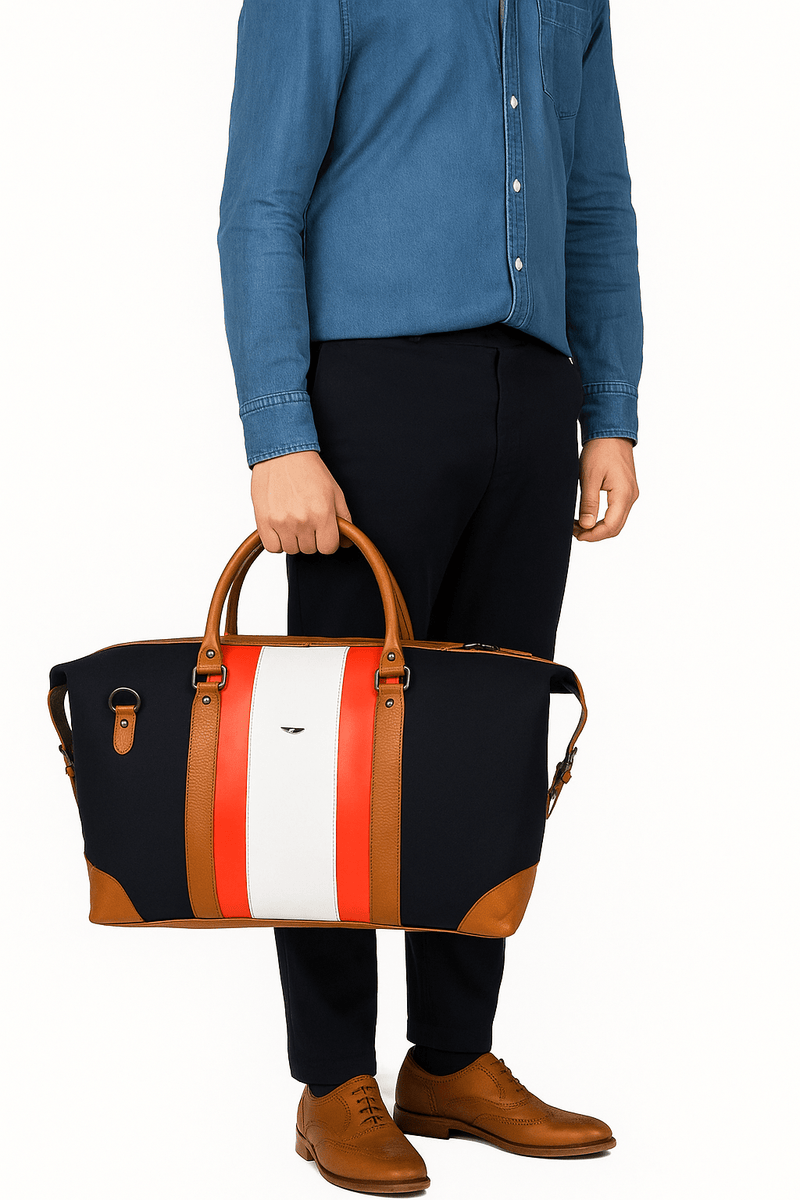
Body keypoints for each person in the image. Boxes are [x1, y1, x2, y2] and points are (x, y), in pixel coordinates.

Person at [216, 0, 642, 1192]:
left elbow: (596, 201)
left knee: (488, 743)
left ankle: (451, 1058)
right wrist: (278, 435)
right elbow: (259, 202)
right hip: (368, 395)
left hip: (533, 393)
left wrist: (609, 410)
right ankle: (330, 1079)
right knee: (332, 753)